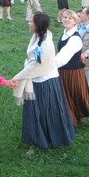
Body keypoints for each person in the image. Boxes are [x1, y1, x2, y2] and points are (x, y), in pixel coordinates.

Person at [12, 11, 75, 154]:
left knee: (46, 112)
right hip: (36, 80)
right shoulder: (37, 36)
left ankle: (48, 139)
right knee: (35, 112)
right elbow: (31, 60)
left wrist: (17, 77)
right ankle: (38, 140)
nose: (29, 23)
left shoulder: (45, 44)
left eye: (31, 21)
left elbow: (36, 66)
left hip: (46, 82)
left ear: (38, 25)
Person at [55, 10, 89, 125]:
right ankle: (69, 117)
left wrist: (49, 66)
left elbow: (63, 56)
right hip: (64, 71)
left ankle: (74, 118)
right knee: (66, 96)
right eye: (64, 17)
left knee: (74, 95)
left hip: (72, 72)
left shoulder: (75, 38)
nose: (66, 20)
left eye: (70, 18)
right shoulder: (65, 33)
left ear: (75, 21)